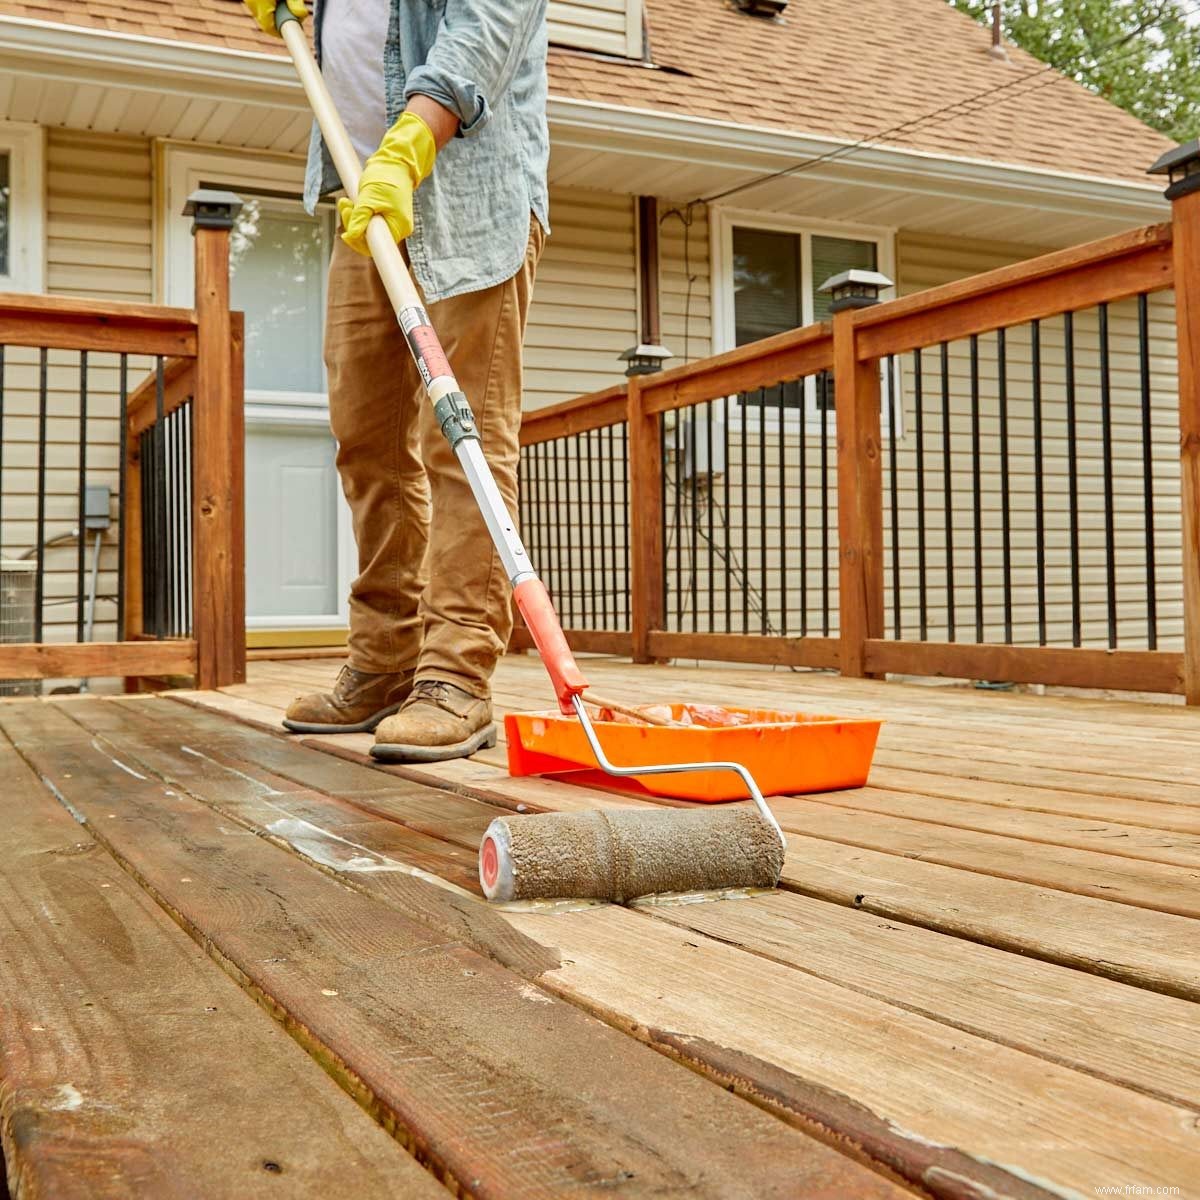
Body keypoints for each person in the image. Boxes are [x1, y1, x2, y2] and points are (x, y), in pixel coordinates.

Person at [242, 0, 549, 761]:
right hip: (364, 200)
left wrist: (413, 142)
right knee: (366, 441)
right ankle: (386, 661)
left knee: (462, 439)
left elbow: (487, 24)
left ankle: (457, 676)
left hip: (465, 202)